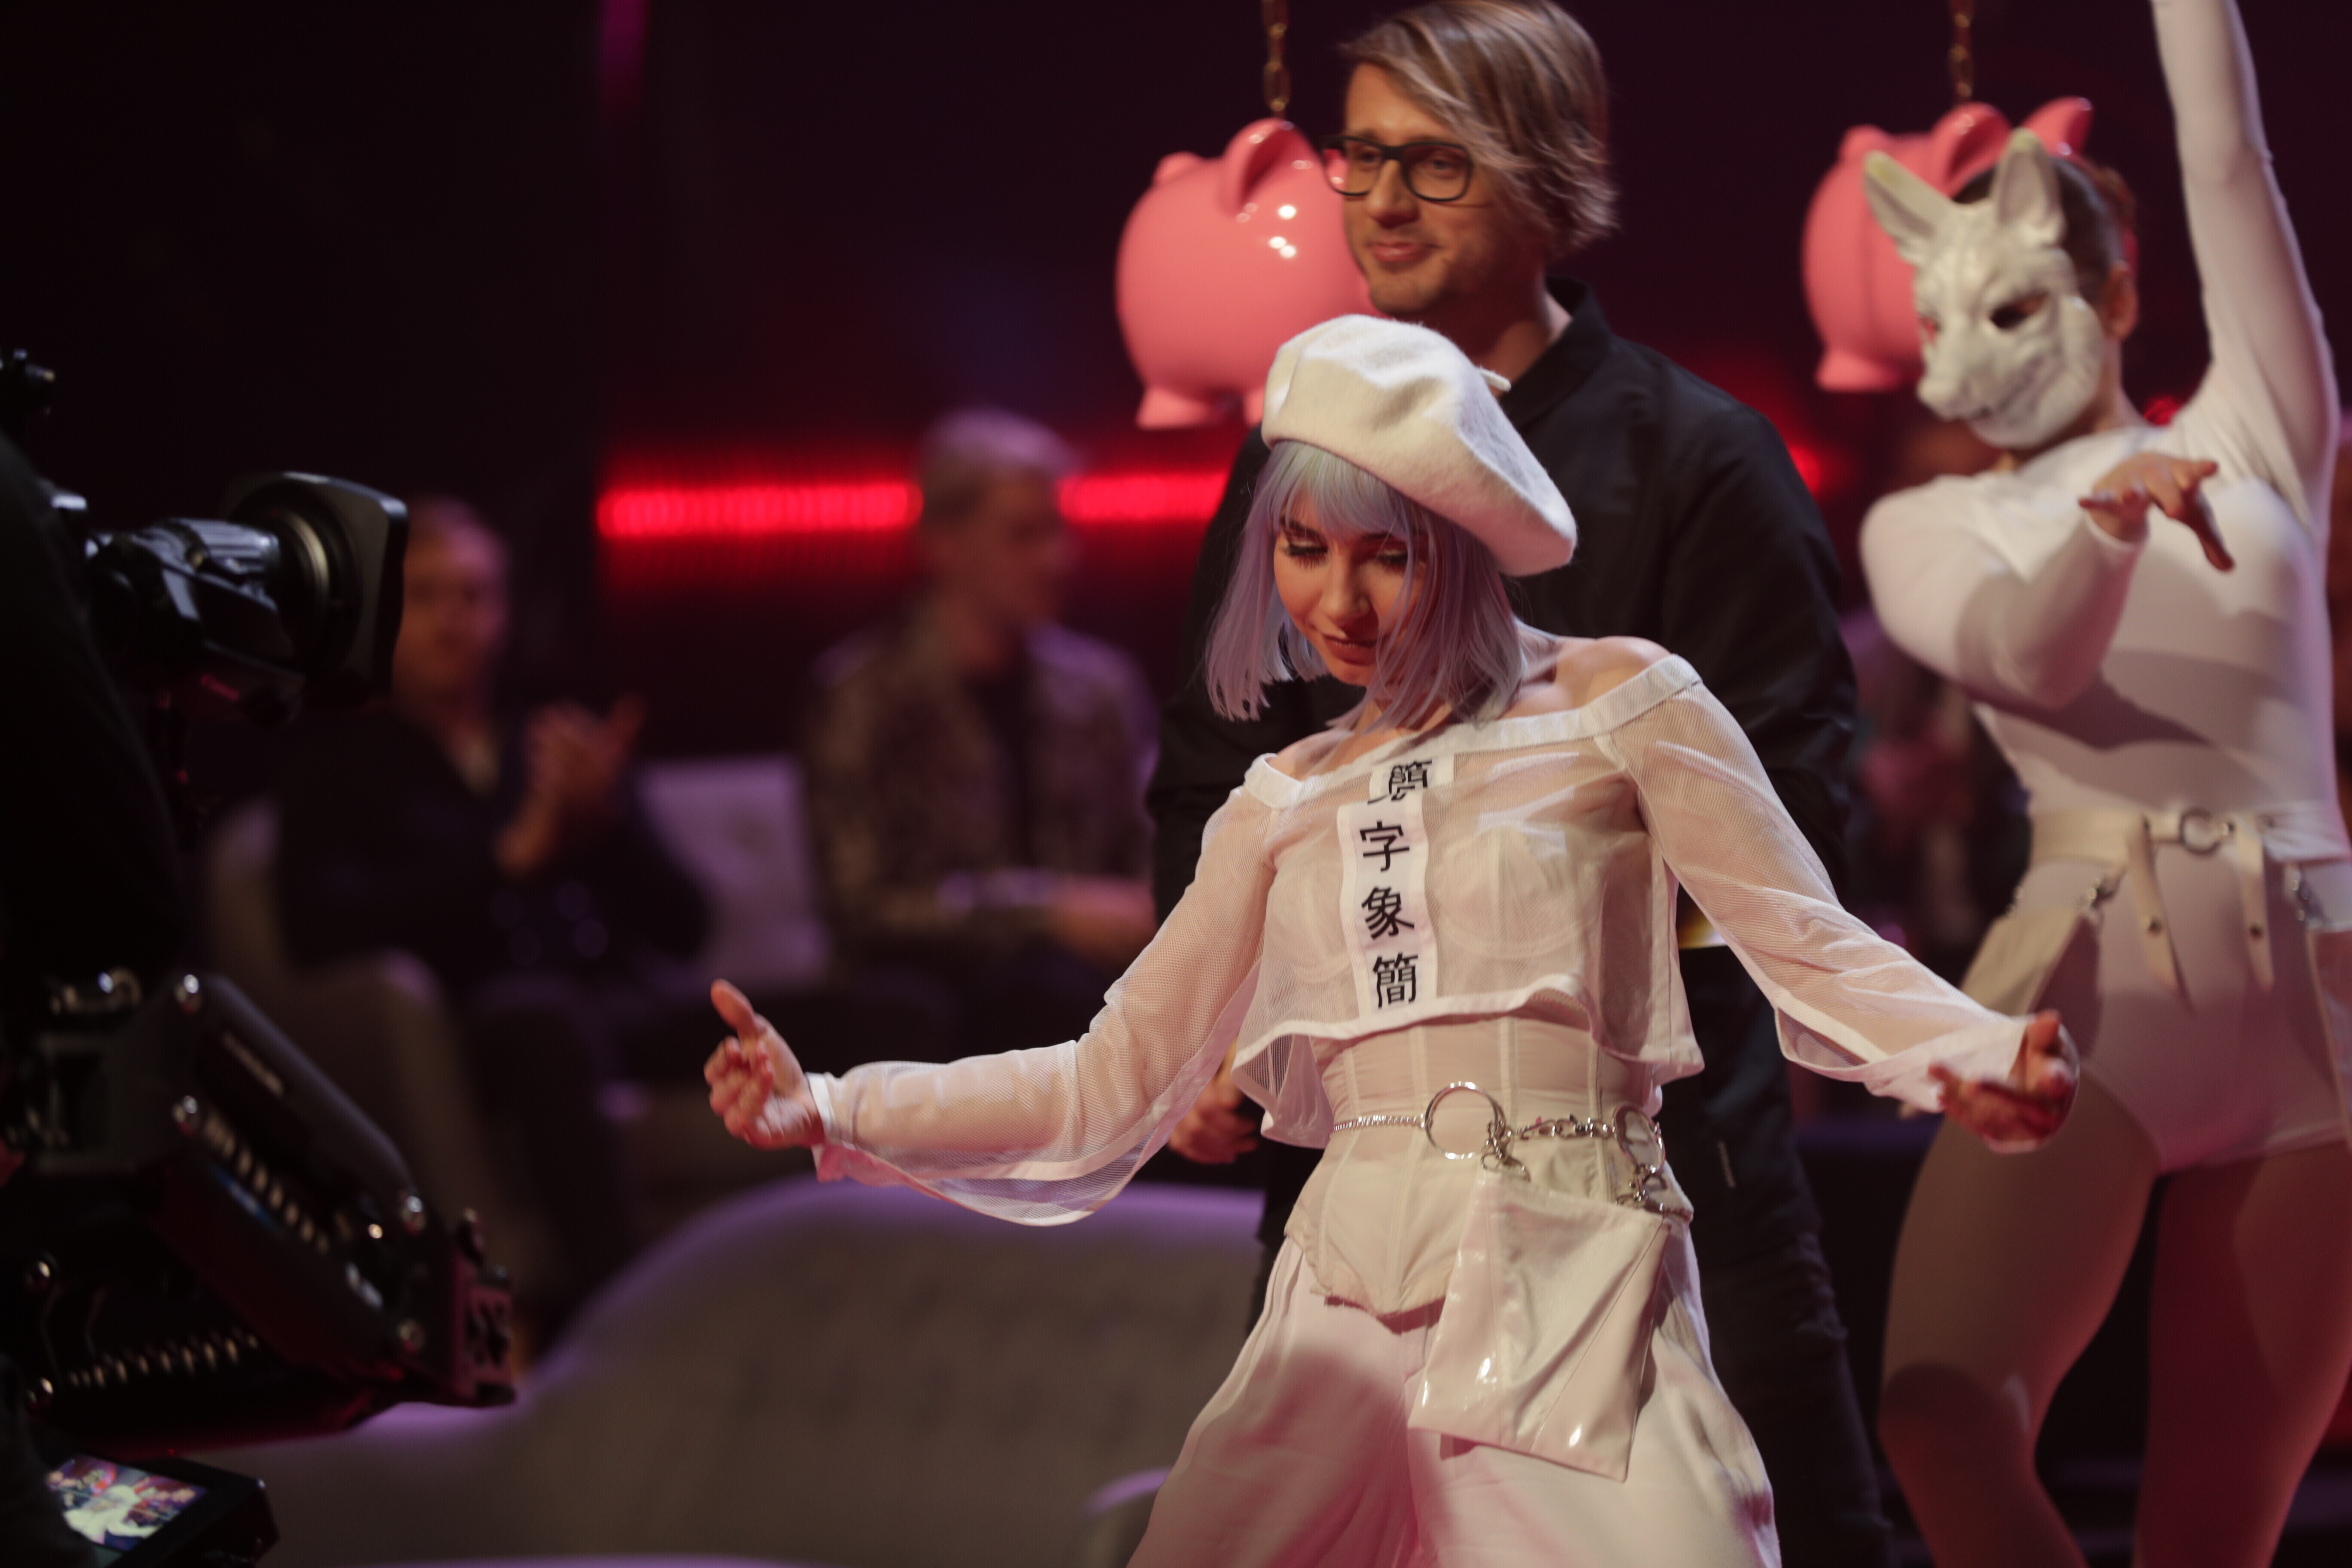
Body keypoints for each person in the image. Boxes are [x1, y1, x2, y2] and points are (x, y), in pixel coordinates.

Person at [705, 316, 2076, 1565]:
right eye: (1304, 547)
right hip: (1346, 1309)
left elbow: (1808, 943)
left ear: (1463, 540)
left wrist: (1973, 1052)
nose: (1338, 603)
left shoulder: (1623, 701)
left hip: (1575, 1278)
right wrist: (828, 1101)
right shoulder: (1284, 797)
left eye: (1387, 555)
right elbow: (1104, 1082)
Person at [1146, 4, 1883, 1559]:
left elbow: (1801, 817)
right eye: (1360, 157)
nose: (1381, 201)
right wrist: (1214, 1029)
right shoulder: (1303, 444)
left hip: (1659, 1177)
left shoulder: (1698, 457)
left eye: (1435, 164)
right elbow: (1212, 773)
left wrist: (1552, 926)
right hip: (1363, 1193)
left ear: (1550, 177)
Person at [1856, 1, 2352, 1562]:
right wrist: (2110, 525)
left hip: (2318, 983)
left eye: (2017, 306)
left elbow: (2229, 154)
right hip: (2090, 976)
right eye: (1940, 317)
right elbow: (2024, 653)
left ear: (2120, 295)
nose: (1967, 355)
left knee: (2224, 1517)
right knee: (1941, 1406)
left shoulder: (2260, 430)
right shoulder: (1926, 525)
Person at [276, 496, 710, 1318]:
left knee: (886, 1012)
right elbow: (319, 926)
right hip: (473, 1025)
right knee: (543, 1019)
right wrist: (507, 862)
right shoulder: (338, 764)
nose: (454, 620)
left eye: (474, 596)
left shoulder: (552, 739)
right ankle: (622, 1319)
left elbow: (686, 929)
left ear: (505, 613)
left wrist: (606, 825)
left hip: (615, 1003)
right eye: (427, 596)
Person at [804, 408, 1158, 1057]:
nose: (1056, 558)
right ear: (943, 544)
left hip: (1083, 983)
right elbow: (860, 907)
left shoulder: (1100, 688)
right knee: (1004, 1000)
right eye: (1023, 535)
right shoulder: (862, 695)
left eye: (1059, 530)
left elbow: (1147, 853)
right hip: (933, 994)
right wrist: (1043, 911)